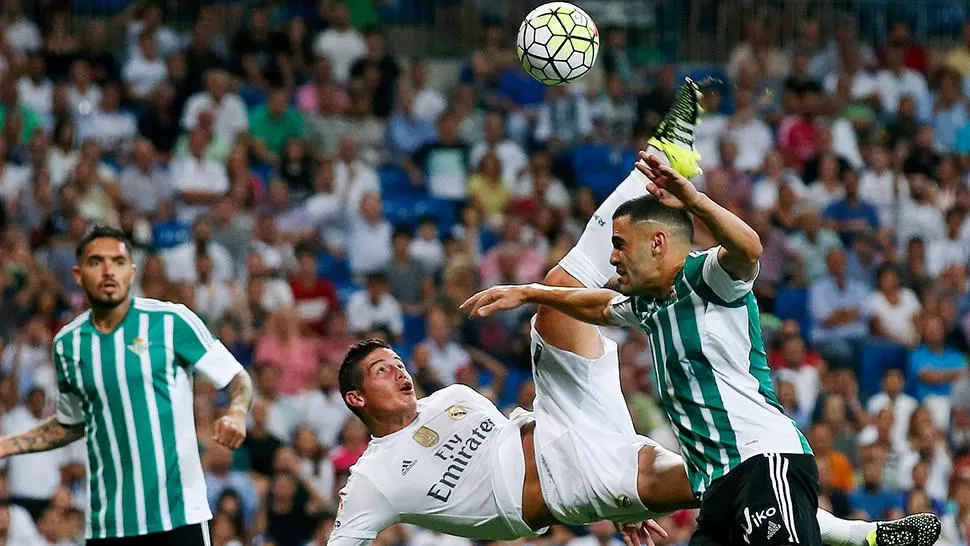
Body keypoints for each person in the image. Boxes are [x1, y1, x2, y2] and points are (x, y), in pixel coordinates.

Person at [328, 81, 939, 546]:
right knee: (714, 479)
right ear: (356, 400)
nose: (400, 369)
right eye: (381, 370)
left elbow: (725, 257)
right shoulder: (374, 479)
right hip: (577, 484)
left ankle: (663, 157)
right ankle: (863, 536)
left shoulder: (450, 398)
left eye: (394, 359)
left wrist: (533, 294)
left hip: (566, 422)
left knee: (559, 291)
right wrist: (618, 508)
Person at [460, 150, 941, 546]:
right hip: (716, 490)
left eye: (620, 245)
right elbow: (601, 305)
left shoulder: (708, 278)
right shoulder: (648, 305)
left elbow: (748, 249)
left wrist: (694, 198)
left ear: (657, 243)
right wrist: (530, 293)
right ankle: (867, 538)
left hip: (762, 461)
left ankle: (863, 539)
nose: (611, 257)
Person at [0, 225, 255, 546]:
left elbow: (237, 378)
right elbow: (70, 424)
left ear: (131, 272)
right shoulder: (68, 344)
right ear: (78, 275)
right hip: (110, 523)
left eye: (118, 262)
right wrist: (6, 445)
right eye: (97, 262)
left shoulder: (172, 321)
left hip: (177, 516)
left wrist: (236, 412)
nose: (108, 270)